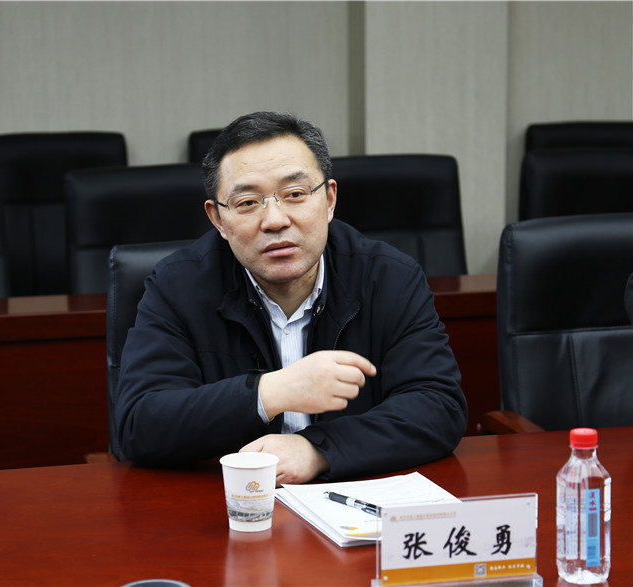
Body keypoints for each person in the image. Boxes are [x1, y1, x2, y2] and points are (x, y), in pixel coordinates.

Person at [116, 111, 468, 485]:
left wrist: (319, 450)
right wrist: (270, 393)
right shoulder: (178, 286)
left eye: (295, 195)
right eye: (247, 202)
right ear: (218, 220)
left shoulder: (389, 277)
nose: (275, 220)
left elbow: (438, 406)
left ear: (329, 200)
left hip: (350, 498)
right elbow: (140, 424)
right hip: (229, 502)